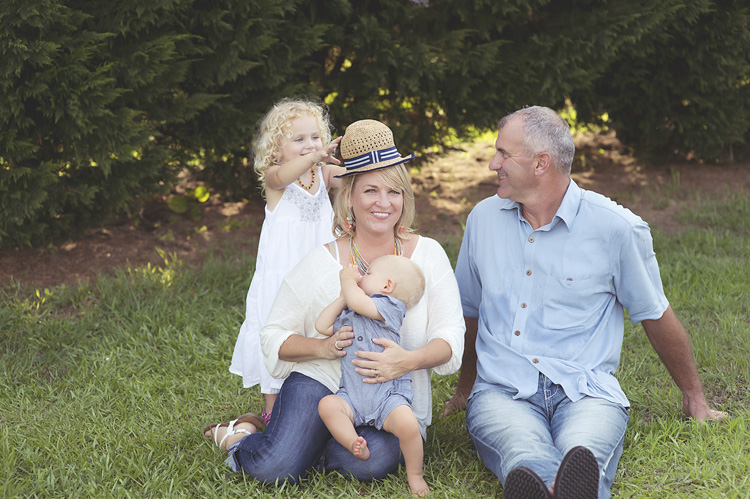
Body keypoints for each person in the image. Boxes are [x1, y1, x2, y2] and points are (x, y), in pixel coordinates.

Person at [450, 106, 727, 499]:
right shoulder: (482, 219)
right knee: (521, 451)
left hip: (587, 390)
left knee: (583, 454)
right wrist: (465, 390)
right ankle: (556, 488)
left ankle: (554, 488)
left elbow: (655, 313)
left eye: (503, 155)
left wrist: (695, 399)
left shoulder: (616, 228)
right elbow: (471, 314)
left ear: (541, 163)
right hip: (502, 390)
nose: (493, 164)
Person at [204, 119, 465, 488]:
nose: (383, 203)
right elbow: (273, 335)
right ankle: (240, 436)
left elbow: (451, 337)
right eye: (371, 191)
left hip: (386, 397)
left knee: (370, 462)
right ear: (350, 197)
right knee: (273, 468)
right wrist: (323, 346)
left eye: (394, 192)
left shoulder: (428, 256)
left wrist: (407, 360)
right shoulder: (321, 261)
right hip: (321, 384)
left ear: (405, 197)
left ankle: (307, 442)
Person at [228, 98, 344, 427]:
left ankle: (317, 398)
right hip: (281, 278)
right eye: (299, 139)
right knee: (277, 337)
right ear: (277, 149)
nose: (310, 145)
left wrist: (356, 163)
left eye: (315, 137)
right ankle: (270, 410)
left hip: (318, 275)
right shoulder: (277, 177)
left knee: (316, 331)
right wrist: (313, 158)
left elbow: (348, 178)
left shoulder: (323, 175)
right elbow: (281, 178)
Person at [315, 256, 429, 496]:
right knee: (327, 405)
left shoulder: (391, 307)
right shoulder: (352, 310)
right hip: (352, 396)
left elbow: (359, 302)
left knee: (408, 425)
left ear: (387, 286)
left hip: (386, 396)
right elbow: (322, 326)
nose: (361, 278)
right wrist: (343, 296)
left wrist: (347, 281)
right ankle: (353, 443)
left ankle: (415, 474)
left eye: (368, 274)